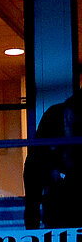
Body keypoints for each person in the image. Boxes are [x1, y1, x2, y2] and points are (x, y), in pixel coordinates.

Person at [25, 76, 82, 229]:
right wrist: (55, 168)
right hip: (43, 164)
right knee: (37, 202)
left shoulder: (59, 113)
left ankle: (36, 236)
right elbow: (42, 151)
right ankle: (36, 235)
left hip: (49, 165)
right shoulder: (58, 115)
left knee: (40, 202)